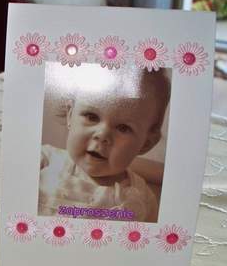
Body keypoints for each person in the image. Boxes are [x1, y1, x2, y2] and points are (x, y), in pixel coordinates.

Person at [38, 66, 170, 222]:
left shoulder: (144, 200)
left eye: (123, 128)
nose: (102, 135)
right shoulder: (44, 160)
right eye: (92, 117)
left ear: (146, 144)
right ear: (70, 115)